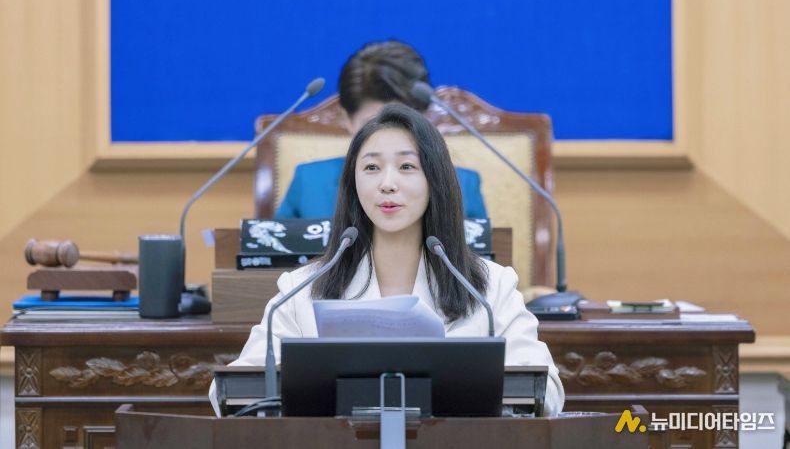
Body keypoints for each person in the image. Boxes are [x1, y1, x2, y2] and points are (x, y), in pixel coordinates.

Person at [210, 105, 564, 416]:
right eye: (371, 167)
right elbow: (229, 392)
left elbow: (546, 390)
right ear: (353, 183)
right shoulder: (302, 288)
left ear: (435, 180)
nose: (387, 184)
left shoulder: (490, 286)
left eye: (407, 166)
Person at [275, 40, 487, 219]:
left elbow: (477, 256)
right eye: (372, 124)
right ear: (347, 119)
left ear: (425, 118)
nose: (388, 136)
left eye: (401, 122)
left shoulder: (462, 185)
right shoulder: (309, 182)